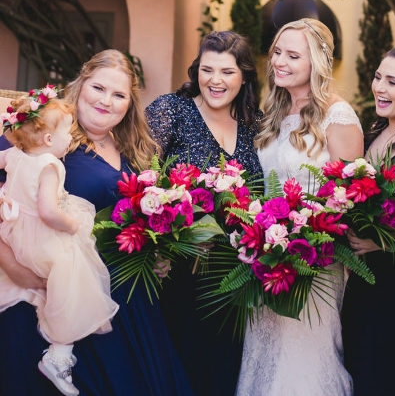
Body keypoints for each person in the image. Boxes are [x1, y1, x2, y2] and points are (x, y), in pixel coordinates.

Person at [0, 50, 194, 396]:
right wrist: (12, 265)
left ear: (129, 103)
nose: (106, 101)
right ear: (81, 83)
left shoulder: (136, 148)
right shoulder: (45, 131)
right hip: (50, 290)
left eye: (119, 95)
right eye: (98, 88)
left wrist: (156, 250)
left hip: (125, 299)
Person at [236, 18, 363, 396]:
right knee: (265, 358)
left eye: (293, 56)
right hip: (267, 258)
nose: (279, 62)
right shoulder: (273, 113)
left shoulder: (337, 115)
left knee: (306, 361)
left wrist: (303, 234)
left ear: (316, 63)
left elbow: (350, 197)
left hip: (314, 262)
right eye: (277, 52)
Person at [146, 30, 263, 396]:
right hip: (175, 269)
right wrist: (157, 248)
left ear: (244, 76)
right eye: (207, 69)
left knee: (221, 374)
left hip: (233, 280)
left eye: (227, 72)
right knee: (174, 373)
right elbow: (141, 178)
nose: (215, 80)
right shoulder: (171, 110)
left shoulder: (255, 124)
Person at [0, 89, 118, 396]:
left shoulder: (15, 155)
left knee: (51, 285)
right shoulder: (50, 165)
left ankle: (48, 325)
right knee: (76, 278)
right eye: (68, 133)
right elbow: (48, 212)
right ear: (49, 139)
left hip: (14, 233)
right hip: (41, 238)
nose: (71, 139)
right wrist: (71, 225)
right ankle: (59, 354)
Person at [341, 43, 395, 396]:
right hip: (363, 283)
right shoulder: (370, 134)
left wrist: (382, 241)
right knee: (359, 366)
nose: (379, 87)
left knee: (389, 375)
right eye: (378, 77)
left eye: (392, 82)